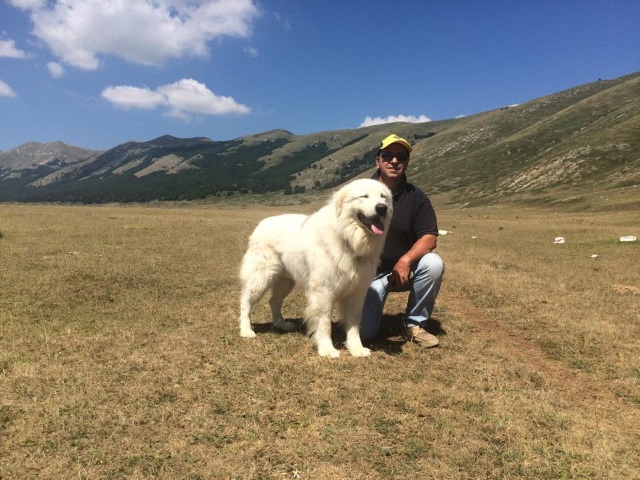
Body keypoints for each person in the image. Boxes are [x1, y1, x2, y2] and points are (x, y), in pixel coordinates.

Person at [360, 134, 444, 347]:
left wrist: (405, 261)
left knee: (433, 264)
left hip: (402, 270)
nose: (395, 161)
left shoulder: (416, 197)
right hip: (367, 275)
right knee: (365, 335)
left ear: (407, 162)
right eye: (388, 155)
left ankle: (413, 325)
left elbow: (429, 237)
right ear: (378, 160)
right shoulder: (360, 192)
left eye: (401, 156)